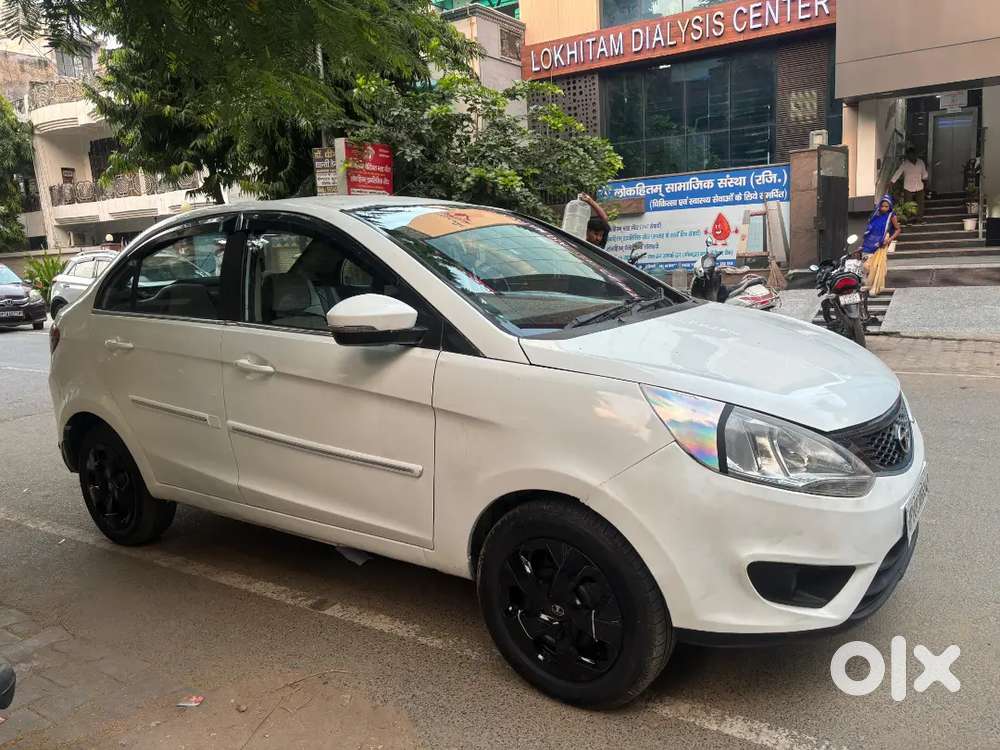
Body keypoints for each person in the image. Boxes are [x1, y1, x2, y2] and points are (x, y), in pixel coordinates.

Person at [890, 148, 928, 222]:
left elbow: (924, 173)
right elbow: (898, 172)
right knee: (908, 204)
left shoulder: (920, 162)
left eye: (912, 154)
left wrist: (925, 180)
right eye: (909, 155)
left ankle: (919, 219)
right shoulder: (905, 164)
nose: (911, 156)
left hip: (919, 185)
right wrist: (892, 182)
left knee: (920, 203)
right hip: (908, 186)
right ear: (907, 156)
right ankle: (908, 219)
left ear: (915, 154)